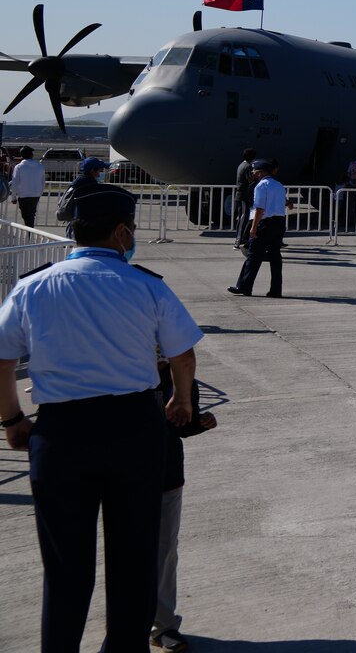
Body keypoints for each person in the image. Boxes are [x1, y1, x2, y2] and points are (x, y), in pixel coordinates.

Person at [0, 183, 204, 652]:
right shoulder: (146, 285)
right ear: (120, 231)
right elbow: (183, 355)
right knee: (133, 562)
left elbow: (4, 359)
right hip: (133, 431)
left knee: (65, 566)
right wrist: (182, 401)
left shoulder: (34, 286)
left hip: (61, 435)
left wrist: (13, 421)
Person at [152, 353, 217, 652]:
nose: (159, 352)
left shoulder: (181, 372)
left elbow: (183, 424)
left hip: (166, 472)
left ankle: (163, 626)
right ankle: (123, 626)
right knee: (125, 552)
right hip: (120, 476)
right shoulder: (118, 372)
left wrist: (200, 423)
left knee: (165, 551)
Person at [229, 158, 285, 298]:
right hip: (279, 223)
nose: (253, 173)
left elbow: (259, 209)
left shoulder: (261, 186)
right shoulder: (279, 185)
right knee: (275, 257)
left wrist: (253, 228)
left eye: (254, 171)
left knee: (253, 256)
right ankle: (276, 290)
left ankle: (244, 286)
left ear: (260, 172)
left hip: (264, 224)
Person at [10, 144, 44, 227]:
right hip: (35, 195)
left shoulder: (19, 167)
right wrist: (40, 193)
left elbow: (15, 183)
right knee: (31, 215)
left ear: (21, 155)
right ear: (31, 155)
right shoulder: (40, 166)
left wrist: (13, 197)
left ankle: (29, 235)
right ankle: (30, 234)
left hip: (24, 195)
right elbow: (43, 182)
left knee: (27, 217)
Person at [231, 147, 257, 250]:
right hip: (244, 196)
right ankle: (238, 241)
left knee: (245, 218)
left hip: (242, 196)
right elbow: (250, 180)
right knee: (243, 218)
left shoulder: (241, 165)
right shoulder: (248, 167)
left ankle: (243, 239)